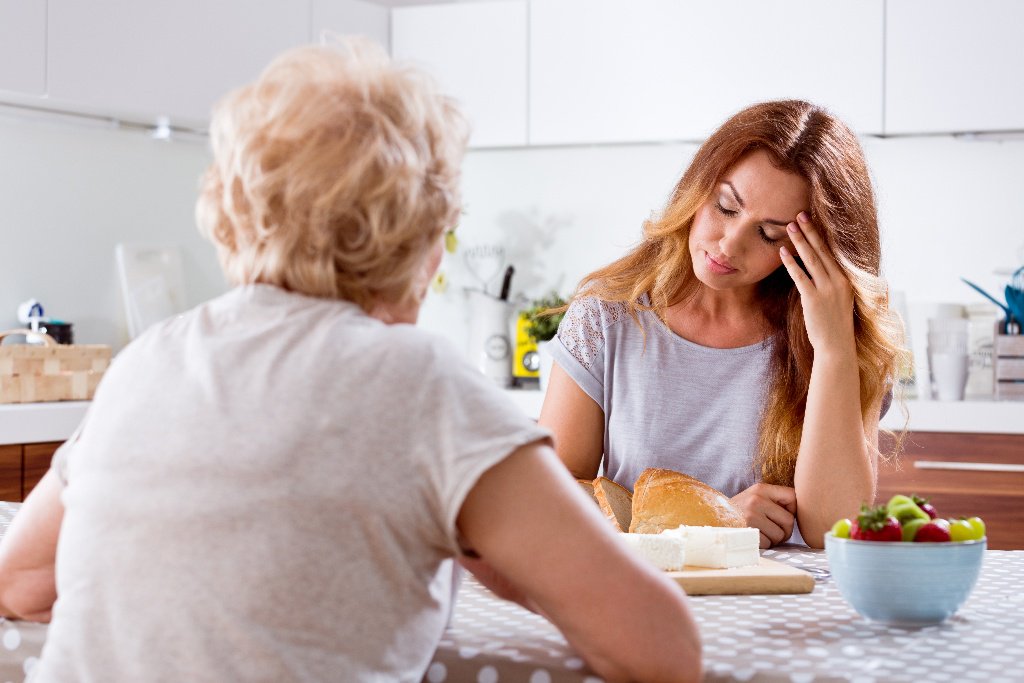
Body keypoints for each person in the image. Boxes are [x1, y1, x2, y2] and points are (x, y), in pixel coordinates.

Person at [0, 41, 702, 682]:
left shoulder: (148, 361)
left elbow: (21, 580)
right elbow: (661, 648)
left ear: (232, 210)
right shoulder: (424, 383)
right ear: (424, 241)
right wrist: (486, 543)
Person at [539, 100, 905, 549]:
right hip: (642, 596)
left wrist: (832, 351)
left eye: (770, 234)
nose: (729, 245)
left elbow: (834, 531)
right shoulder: (608, 317)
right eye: (726, 207)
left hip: (781, 608)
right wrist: (711, 520)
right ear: (699, 186)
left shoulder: (839, 344)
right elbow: (549, 504)